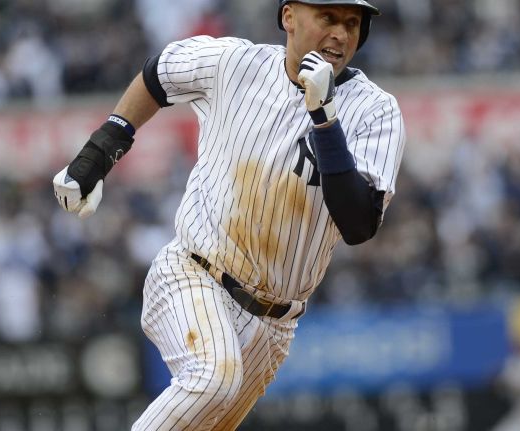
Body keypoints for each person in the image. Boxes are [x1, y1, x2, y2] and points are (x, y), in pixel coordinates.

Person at [52, 0, 406, 429]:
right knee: (213, 378)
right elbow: (158, 73)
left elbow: (358, 225)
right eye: (328, 18)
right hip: (195, 274)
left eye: (352, 23)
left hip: (275, 326)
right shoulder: (235, 62)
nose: (341, 34)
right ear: (289, 17)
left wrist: (326, 122)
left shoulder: (375, 110)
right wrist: (99, 153)